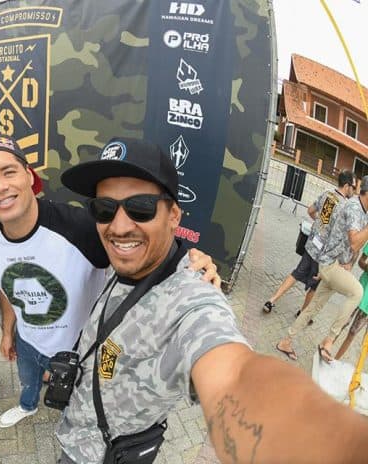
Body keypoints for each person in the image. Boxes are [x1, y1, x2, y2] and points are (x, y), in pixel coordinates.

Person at [52, 138, 368, 464]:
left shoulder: (193, 297)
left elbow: (234, 375)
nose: (118, 227)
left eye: (141, 208)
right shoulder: (122, 254)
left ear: (174, 215)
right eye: (104, 208)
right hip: (73, 434)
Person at [0, 133, 219, 429]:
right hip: (27, 341)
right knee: (28, 383)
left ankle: (70, 423)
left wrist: (189, 264)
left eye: (8, 172)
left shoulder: (83, 227)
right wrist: (8, 332)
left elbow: (144, 255)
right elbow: (7, 288)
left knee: (72, 406)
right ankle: (27, 406)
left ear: (29, 175)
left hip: (78, 353)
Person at [277, 175, 368, 363]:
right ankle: (329, 341)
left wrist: (347, 263)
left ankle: (285, 341)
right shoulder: (354, 208)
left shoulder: (362, 211)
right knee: (357, 292)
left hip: (333, 264)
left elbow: (354, 246)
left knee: (313, 308)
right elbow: (354, 242)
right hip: (330, 264)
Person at [262, 171, 356, 317]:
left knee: (297, 273)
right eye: (353, 186)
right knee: (315, 286)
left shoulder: (327, 194)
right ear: (346, 185)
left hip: (312, 245)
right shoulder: (345, 207)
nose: (354, 190)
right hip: (324, 255)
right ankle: (302, 314)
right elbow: (341, 238)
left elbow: (311, 211)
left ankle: (272, 300)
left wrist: (320, 224)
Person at [335, 241, 368, 360]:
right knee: (340, 324)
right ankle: (325, 350)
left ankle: (335, 361)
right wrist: (367, 267)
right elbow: (361, 261)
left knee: (352, 333)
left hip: (367, 307)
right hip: (359, 292)